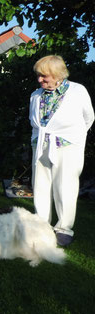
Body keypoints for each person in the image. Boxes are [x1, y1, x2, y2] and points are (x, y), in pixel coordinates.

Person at [29, 55, 94, 247]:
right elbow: (33, 122)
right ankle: (41, 225)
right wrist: (36, 140)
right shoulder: (35, 95)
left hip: (68, 146)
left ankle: (64, 228)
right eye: (39, 76)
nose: (40, 80)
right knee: (40, 185)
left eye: (44, 76)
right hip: (41, 144)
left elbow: (88, 118)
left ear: (57, 74)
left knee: (65, 186)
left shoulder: (77, 91)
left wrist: (72, 136)